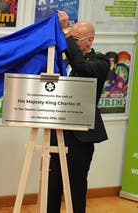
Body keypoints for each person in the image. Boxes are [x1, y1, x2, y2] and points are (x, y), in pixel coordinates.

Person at [46, 11, 110, 213]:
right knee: (52, 183)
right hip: (58, 130)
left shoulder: (100, 62)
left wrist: (64, 30)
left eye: (74, 39)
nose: (69, 42)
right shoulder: (65, 62)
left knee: (75, 185)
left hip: (81, 135)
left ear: (89, 40)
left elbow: (82, 68)